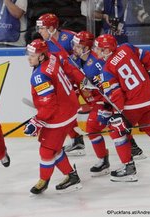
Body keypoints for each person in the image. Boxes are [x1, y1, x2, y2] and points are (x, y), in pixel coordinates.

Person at [96, 34, 150, 182]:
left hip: (134, 105)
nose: (96, 52)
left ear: (107, 50)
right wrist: (147, 71)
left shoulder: (107, 69)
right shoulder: (127, 48)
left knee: (116, 131)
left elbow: (117, 96)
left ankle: (129, 168)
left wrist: (118, 114)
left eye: (99, 49)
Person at [70, 31, 145, 177]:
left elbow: (110, 83)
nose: (74, 48)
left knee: (95, 127)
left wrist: (101, 93)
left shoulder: (97, 62)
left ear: (86, 48)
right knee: (106, 128)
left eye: (78, 46)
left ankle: (110, 161)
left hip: (107, 100)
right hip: (99, 100)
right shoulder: (81, 59)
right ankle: (131, 150)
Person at [24, 39, 82, 194]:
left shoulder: (39, 76)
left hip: (59, 116)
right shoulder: (53, 57)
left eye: (33, 55)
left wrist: (37, 121)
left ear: (42, 56)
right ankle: (71, 176)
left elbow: (49, 105)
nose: (29, 58)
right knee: (54, 149)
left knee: (46, 150)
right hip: (69, 108)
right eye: (28, 54)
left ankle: (45, 181)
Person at [36, 13, 86, 156]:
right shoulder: (45, 45)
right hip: (68, 83)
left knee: (100, 108)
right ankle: (77, 140)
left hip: (83, 80)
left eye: (42, 28)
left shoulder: (70, 37)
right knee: (65, 111)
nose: (39, 31)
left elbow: (87, 51)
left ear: (52, 28)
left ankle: (129, 143)